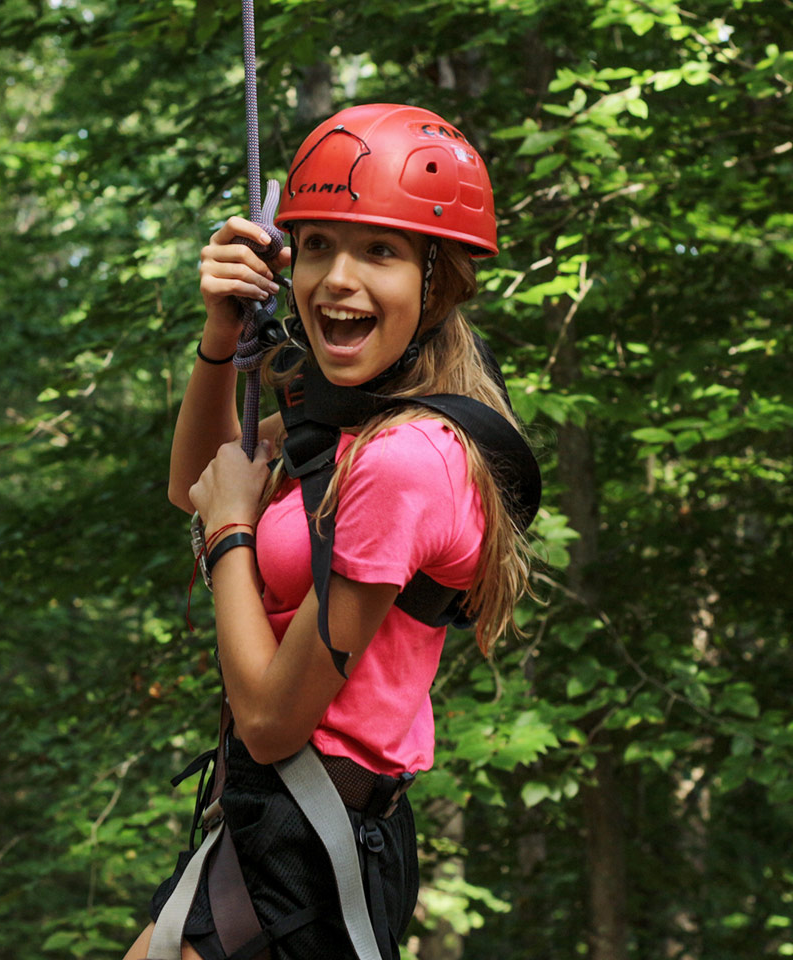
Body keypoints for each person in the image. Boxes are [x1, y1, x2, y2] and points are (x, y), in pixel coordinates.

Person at [124, 103, 538, 960]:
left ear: (438, 279)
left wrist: (234, 533)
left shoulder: (407, 459)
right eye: (317, 246)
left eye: (379, 251)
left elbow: (274, 719)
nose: (336, 280)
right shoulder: (350, 420)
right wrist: (220, 333)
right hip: (272, 830)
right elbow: (191, 481)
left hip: (312, 841)